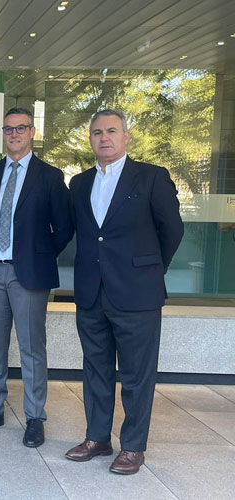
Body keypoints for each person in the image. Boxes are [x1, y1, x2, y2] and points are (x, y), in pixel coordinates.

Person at [65, 109, 183, 474]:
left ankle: (133, 446)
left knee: (136, 374)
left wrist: (150, 270)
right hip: (91, 292)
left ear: (126, 137)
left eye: (112, 131)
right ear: (90, 139)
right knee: (95, 369)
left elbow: (172, 229)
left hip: (137, 293)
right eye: (97, 132)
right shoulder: (79, 183)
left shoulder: (151, 177)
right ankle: (97, 438)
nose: (105, 138)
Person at [0, 108, 73, 447]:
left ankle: (35, 417)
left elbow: (64, 227)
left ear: (32, 132)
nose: (14, 134)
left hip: (29, 274)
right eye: (8, 129)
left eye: (21, 128)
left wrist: (38, 254)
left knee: (31, 348)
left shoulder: (50, 176)